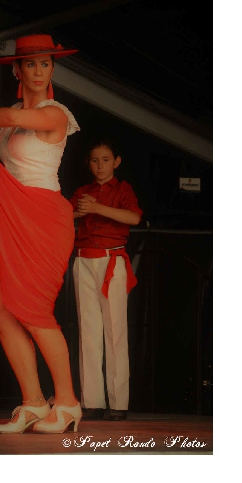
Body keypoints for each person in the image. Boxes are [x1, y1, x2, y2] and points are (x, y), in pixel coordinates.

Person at [0, 35, 83, 434]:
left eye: (45, 64)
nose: (39, 71)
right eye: (30, 64)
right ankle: (33, 402)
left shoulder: (56, 114)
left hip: (43, 217)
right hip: (12, 215)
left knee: (34, 310)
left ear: (52, 69)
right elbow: (8, 120)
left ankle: (68, 403)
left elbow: (5, 118)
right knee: (0, 307)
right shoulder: (9, 116)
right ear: (17, 70)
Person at [70, 140, 141, 422]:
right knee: (88, 332)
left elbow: (133, 217)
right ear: (88, 164)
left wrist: (97, 208)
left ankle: (118, 403)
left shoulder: (123, 190)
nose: (100, 166)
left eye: (106, 160)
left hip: (112, 260)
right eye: (95, 160)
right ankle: (92, 401)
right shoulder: (82, 192)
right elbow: (62, 217)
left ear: (116, 162)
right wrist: (78, 212)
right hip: (83, 260)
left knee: (115, 331)